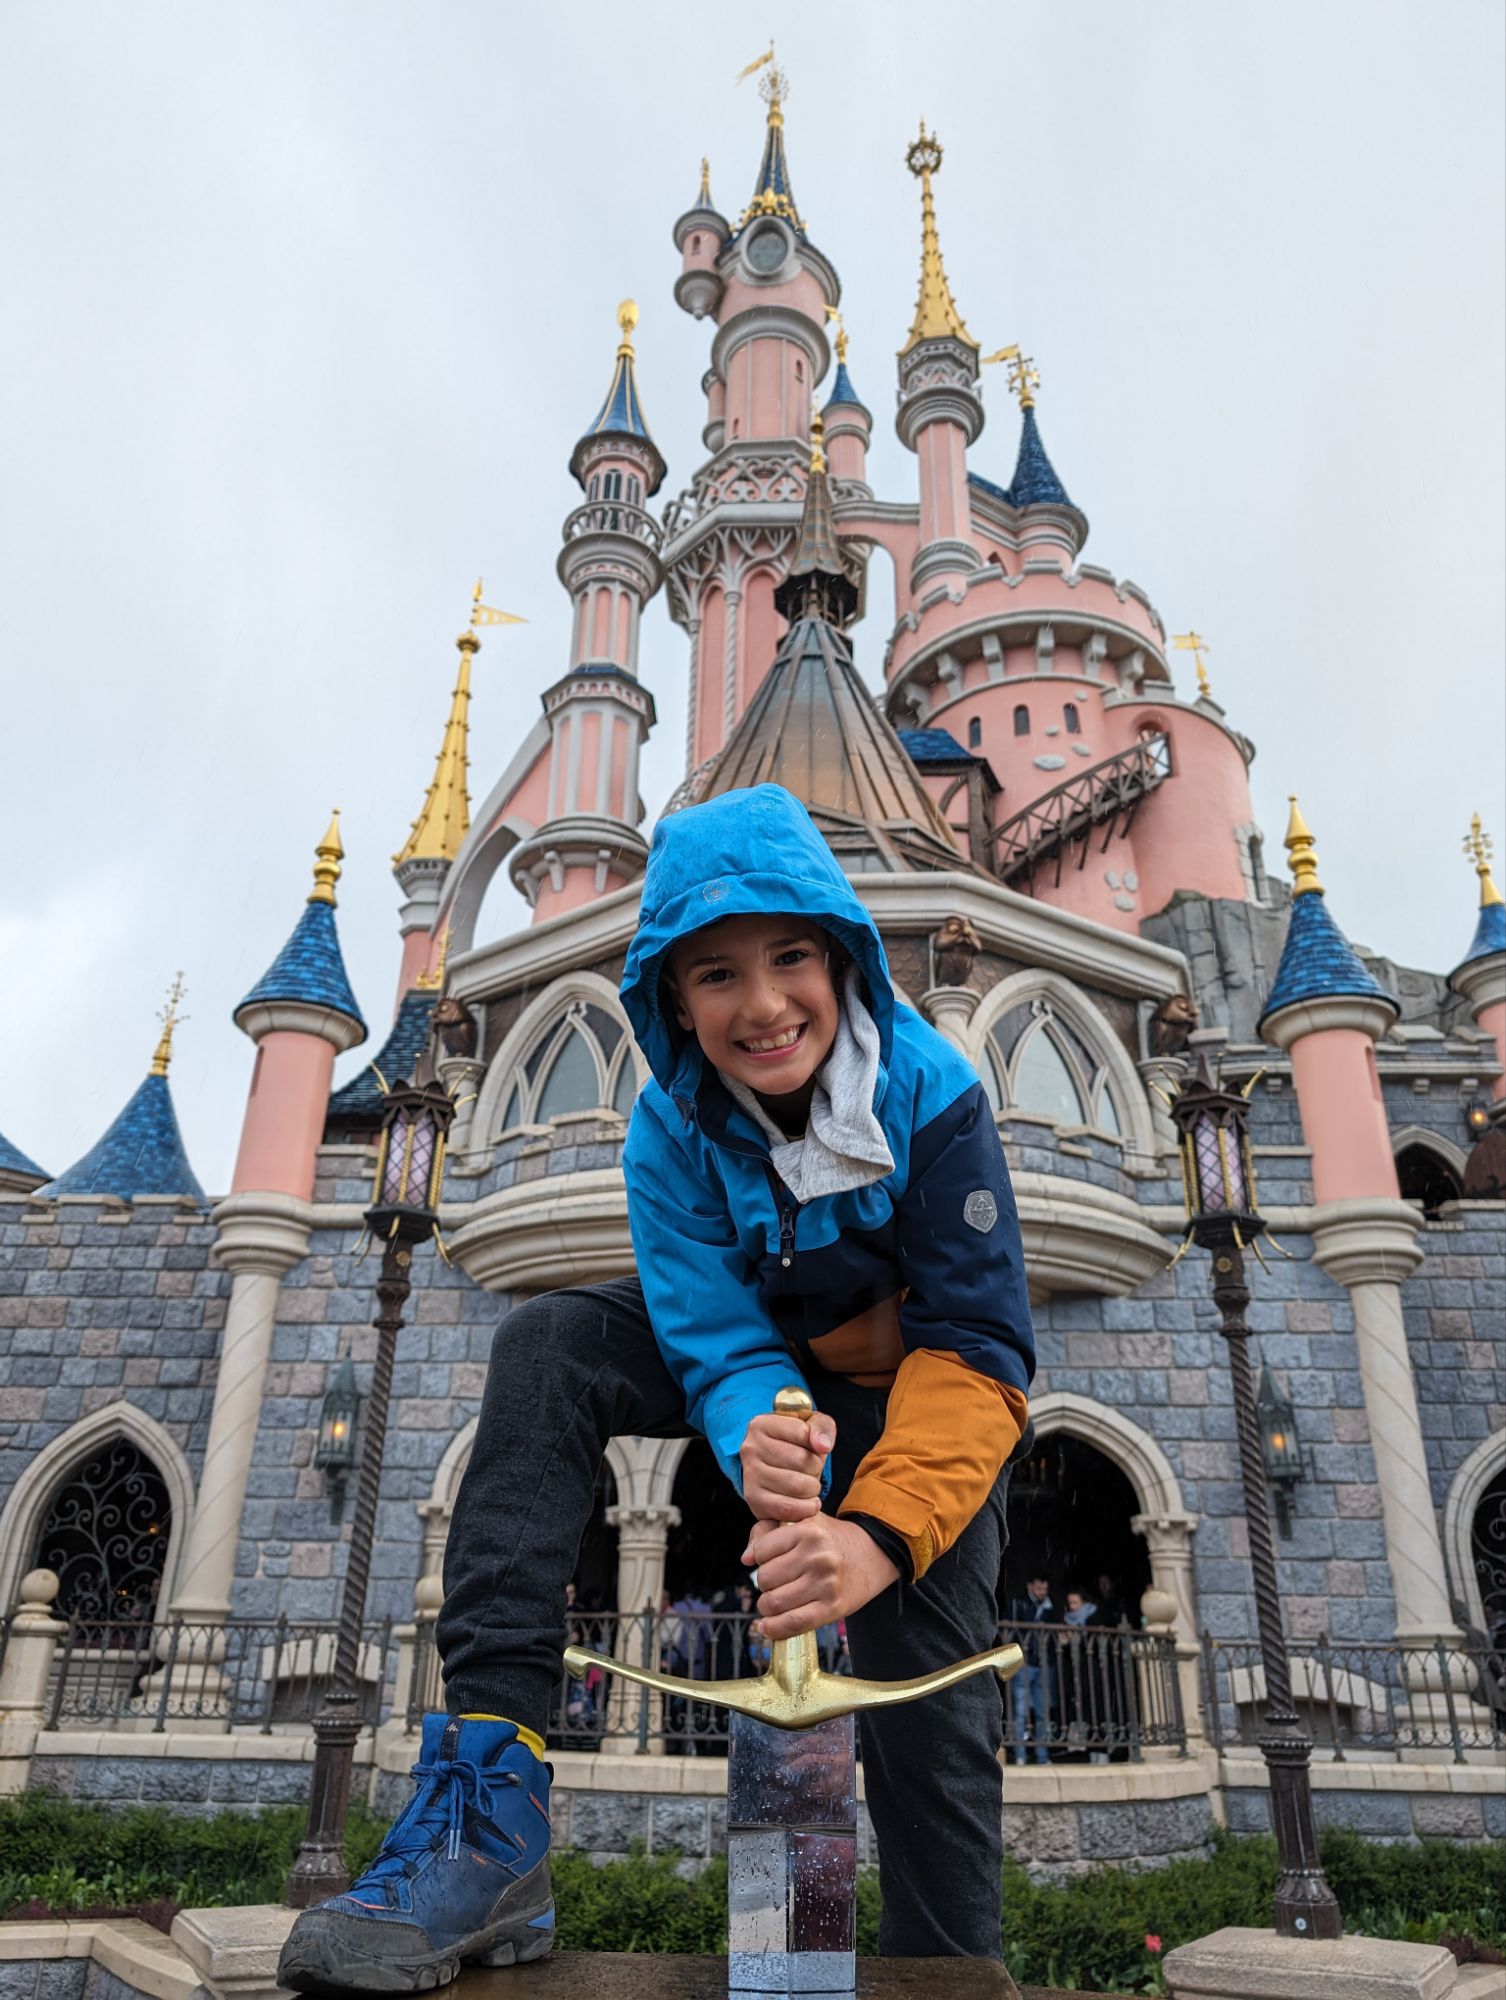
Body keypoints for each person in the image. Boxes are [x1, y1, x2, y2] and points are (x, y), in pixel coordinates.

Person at [277, 783, 1034, 1991]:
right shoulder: (667, 1131)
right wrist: (764, 1430)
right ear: (674, 997)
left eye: (790, 957)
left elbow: (979, 1344)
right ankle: (487, 1821)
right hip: (759, 1370)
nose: (764, 1003)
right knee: (549, 1342)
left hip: (918, 1402)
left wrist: (878, 1536)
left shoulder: (932, 1093)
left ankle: (947, 1975)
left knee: (928, 1709)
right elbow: (715, 1330)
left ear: (842, 958)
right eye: (717, 972)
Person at [1003, 1575, 1055, 1765]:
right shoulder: (1019, 1604)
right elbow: (1010, 1628)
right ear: (1030, 1586)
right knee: (1020, 1712)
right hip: (1024, 1663)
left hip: (1043, 1663)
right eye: (1039, 1588)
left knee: (1042, 1711)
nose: (1042, 1592)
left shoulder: (1049, 1607)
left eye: (1045, 1589)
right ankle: (1020, 1755)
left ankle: (1042, 1756)